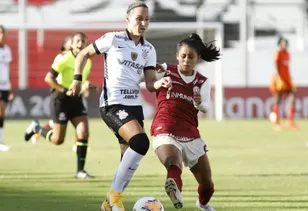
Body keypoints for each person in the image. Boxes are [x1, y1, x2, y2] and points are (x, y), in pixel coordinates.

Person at [67, 1, 172, 211]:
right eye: (139, 18)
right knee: (141, 143)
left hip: (134, 106)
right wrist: (77, 78)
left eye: (147, 19)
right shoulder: (113, 38)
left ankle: (109, 203)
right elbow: (83, 54)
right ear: (128, 19)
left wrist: (159, 83)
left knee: (127, 161)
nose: (143, 23)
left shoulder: (148, 50)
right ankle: (113, 198)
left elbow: (150, 83)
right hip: (112, 104)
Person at [151, 33, 220, 211]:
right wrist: (156, 79)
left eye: (191, 57)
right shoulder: (166, 70)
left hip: (190, 133)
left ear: (198, 58)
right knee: (174, 161)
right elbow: (146, 79)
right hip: (164, 127)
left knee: (207, 185)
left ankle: (202, 204)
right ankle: (175, 191)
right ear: (177, 56)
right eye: (183, 56)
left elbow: (205, 107)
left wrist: (198, 103)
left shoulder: (202, 81)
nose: (186, 60)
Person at [24, 32, 95, 179]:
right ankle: (36, 128)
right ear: (72, 43)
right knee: (57, 140)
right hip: (61, 100)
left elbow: (82, 81)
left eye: (83, 41)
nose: (80, 43)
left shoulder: (88, 61)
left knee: (83, 132)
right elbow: (49, 78)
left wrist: (88, 86)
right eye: (77, 40)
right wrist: (64, 90)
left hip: (76, 100)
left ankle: (80, 171)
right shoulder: (64, 58)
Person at [269, 37, 298, 130]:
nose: (284, 45)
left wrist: (290, 78)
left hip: (287, 79)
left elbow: (287, 68)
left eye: (285, 43)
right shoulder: (278, 53)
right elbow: (276, 65)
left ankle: (290, 121)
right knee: (278, 99)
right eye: (282, 43)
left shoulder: (287, 54)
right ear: (280, 44)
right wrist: (279, 78)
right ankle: (276, 123)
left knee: (292, 97)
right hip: (279, 79)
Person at [0, 25, 14, 152]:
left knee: (2, 113)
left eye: (3, 32)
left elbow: (7, 70)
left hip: (4, 86)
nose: (1, 35)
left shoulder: (7, 50)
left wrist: (10, 87)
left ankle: (0, 141)